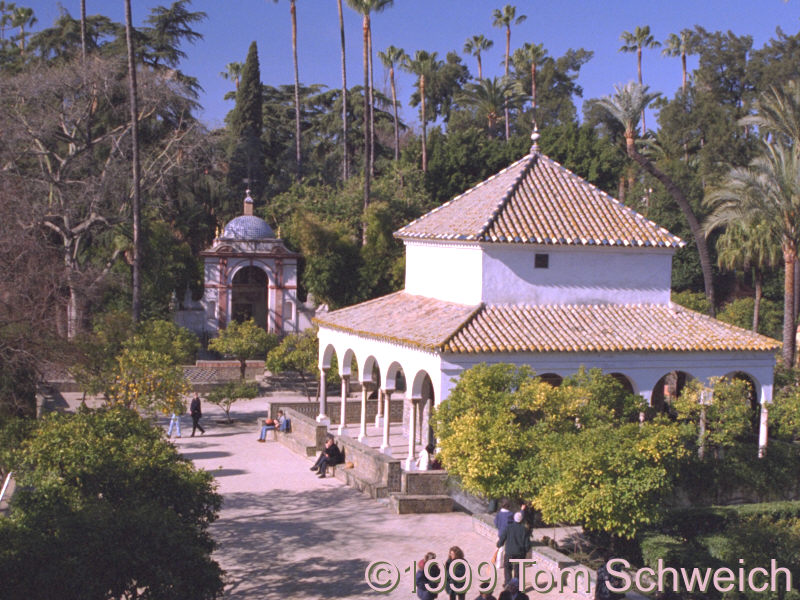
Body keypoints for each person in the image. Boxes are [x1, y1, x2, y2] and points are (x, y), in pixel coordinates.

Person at [497, 512, 531, 587]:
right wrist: (526, 551)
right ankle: (517, 586)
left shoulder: (508, 527)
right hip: (520, 553)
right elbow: (527, 544)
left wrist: (499, 544)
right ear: (522, 520)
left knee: (507, 568)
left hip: (509, 552)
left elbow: (502, 538)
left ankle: (508, 584)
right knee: (518, 570)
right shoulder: (524, 530)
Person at [491, 499, 513, 570]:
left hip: (500, 533)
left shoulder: (499, 514)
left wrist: (500, 528)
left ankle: (498, 564)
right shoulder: (510, 514)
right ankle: (508, 563)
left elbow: (496, 523)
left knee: (500, 549)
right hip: (508, 534)